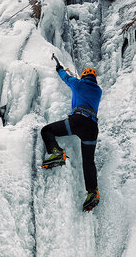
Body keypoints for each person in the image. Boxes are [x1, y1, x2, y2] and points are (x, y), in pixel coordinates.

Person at [41, 61, 102, 212]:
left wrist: (59, 68)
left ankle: (57, 153)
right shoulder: (98, 91)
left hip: (78, 121)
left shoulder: (78, 84)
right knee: (88, 161)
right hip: (92, 128)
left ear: (83, 76)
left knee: (47, 130)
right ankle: (93, 193)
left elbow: (66, 78)